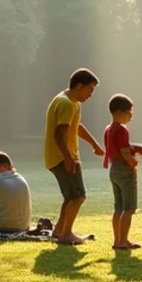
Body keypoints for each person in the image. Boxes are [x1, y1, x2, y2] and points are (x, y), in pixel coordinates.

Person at [44, 68, 105, 245]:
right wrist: (69, 159)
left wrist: (94, 144)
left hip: (61, 158)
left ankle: (59, 230)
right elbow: (59, 135)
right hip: (62, 158)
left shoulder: (71, 102)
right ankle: (66, 235)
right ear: (79, 86)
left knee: (70, 197)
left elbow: (76, 126)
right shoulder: (66, 103)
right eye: (90, 89)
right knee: (78, 197)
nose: (91, 94)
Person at [103, 94, 142, 251]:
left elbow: (116, 147)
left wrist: (133, 148)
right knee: (129, 208)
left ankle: (117, 240)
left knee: (118, 208)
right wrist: (133, 162)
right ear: (120, 112)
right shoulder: (122, 130)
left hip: (114, 169)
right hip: (125, 171)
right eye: (129, 112)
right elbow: (124, 152)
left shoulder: (109, 129)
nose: (131, 116)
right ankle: (123, 241)